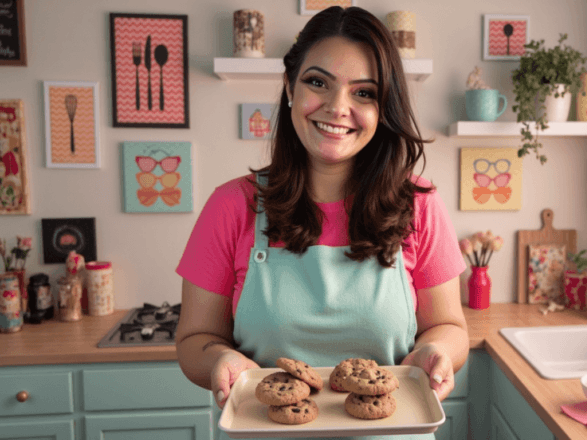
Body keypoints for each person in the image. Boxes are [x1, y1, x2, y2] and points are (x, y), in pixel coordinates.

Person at [175, 6, 468, 439]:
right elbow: (193, 340)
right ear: (289, 87)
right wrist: (221, 360)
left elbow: (450, 328)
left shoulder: (419, 205)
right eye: (318, 83)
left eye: (364, 92)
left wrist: (437, 350)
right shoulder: (231, 206)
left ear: (383, 105)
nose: (337, 107)